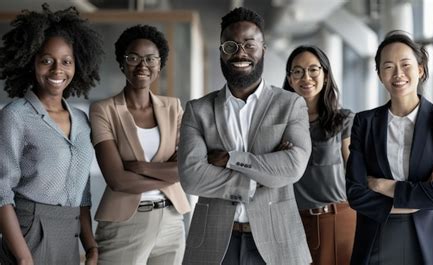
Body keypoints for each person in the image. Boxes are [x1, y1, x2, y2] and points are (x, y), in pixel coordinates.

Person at [178, 7, 312, 265]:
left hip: (278, 244)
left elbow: (293, 166)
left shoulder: (290, 104)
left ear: (263, 49)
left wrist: (231, 159)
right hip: (214, 244)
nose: (240, 53)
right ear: (220, 51)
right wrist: (257, 181)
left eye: (250, 44)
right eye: (231, 45)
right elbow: (191, 177)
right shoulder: (198, 110)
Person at [0, 4, 103, 265]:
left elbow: (82, 192)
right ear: (30, 62)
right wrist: (23, 258)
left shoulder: (81, 120)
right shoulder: (16, 115)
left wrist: (90, 246)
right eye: (47, 60)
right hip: (28, 231)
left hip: (70, 233)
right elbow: (1, 191)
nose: (58, 70)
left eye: (66, 61)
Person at [346, 31, 433, 265]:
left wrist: (381, 185)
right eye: (388, 67)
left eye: (406, 65)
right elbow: (356, 194)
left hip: (427, 242)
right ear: (379, 75)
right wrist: (417, 197)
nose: (398, 74)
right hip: (375, 239)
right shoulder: (364, 123)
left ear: (420, 69)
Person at [89, 24, 191, 265]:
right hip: (125, 222)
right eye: (133, 57)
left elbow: (187, 167)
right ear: (122, 62)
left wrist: (141, 167)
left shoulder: (173, 107)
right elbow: (118, 180)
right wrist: (171, 174)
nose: (142, 65)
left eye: (150, 58)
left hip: (171, 220)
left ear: (160, 64)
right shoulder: (103, 110)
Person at [283, 45, 356, 265]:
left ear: (325, 75)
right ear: (290, 78)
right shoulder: (280, 123)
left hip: (336, 219)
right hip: (292, 221)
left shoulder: (344, 120)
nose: (306, 77)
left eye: (313, 69)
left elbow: (355, 173)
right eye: (298, 71)